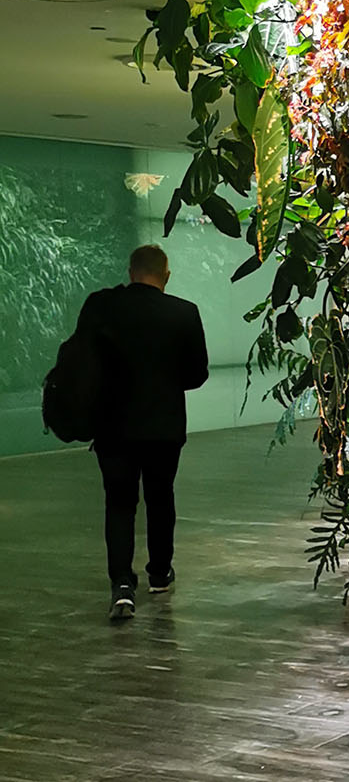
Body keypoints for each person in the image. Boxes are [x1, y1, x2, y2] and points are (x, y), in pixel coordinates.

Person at [74, 244, 208, 621]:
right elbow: (197, 375)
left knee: (119, 503)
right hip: (164, 427)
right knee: (160, 497)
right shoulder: (184, 313)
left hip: (113, 427)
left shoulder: (101, 307)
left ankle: (121, 585)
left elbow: (82, 360)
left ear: (130, 272)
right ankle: (160, 573)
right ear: (165, 276)